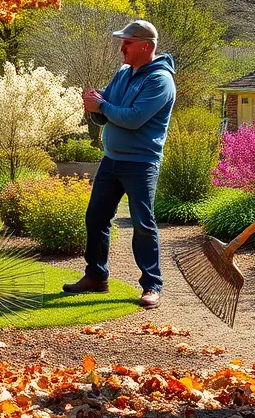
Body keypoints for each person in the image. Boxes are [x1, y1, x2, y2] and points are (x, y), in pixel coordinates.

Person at [62, 20, 176, 310]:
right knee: (96, 218)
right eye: (122, 42)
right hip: (111, 160)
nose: (122, 48)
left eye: (127, 43)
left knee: (142, 224)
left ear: (145, 46)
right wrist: (94, 105)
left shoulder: (160, 80)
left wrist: (102, 106)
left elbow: (133, 118)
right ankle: (96, 277)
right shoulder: (124, 73)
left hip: (141, 163)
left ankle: (152, 285)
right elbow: (108, 114)